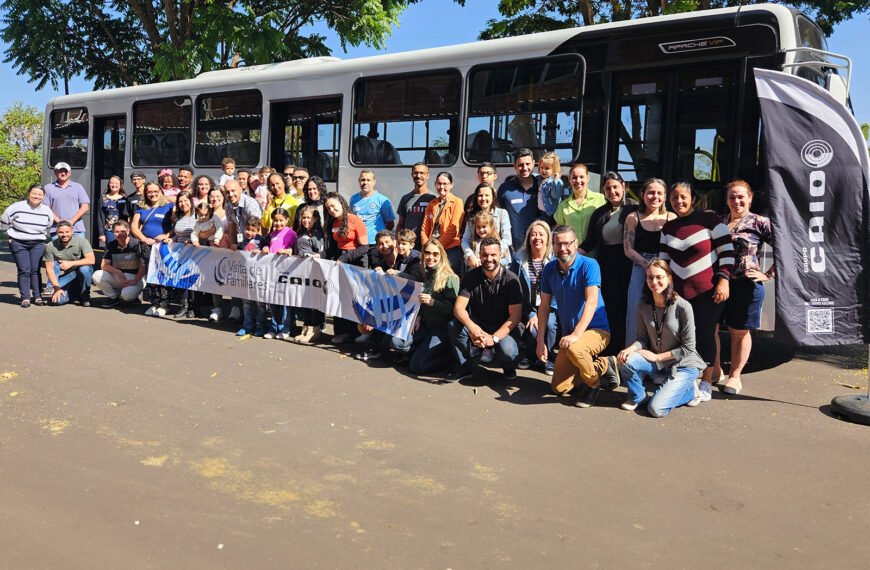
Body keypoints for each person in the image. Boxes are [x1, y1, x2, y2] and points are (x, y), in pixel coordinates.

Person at [659, 181, 734, 402]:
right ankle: (688, 379)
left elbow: (727, 253)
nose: (678, 201)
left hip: (708, 292)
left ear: (693, 198)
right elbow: (663, 261)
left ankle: (706, 381)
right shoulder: (668, 228)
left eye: (683, 197)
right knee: (681, 337)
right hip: (678, 293)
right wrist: (665, 291)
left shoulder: (710, 220)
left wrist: (724, 281)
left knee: (705, 335)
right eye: (674, 197)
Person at [536, 225, 619, 408]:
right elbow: (544, 307)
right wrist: (540, 341)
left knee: (576, 349)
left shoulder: (589, 265)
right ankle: (602, 365)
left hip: (597, 331)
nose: (563, 248)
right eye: (558, 244)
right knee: (560, 388)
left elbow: (591, 302)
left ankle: (593, 384)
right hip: (571, 338)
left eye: (567, 243)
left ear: (576, 244)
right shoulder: (549, 269)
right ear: (553, 245)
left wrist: (576, 334)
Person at [617, 259, 706, 416]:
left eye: (659, 277)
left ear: (669, 278)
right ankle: (639, 397)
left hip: (684, 364)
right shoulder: (643, 306)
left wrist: (657, 357)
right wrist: (631, 348)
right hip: (659, 363)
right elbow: (642, 339)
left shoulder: (683, 306)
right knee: (625, 360)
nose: (654, 282)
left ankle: (691, 392)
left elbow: (688, 347)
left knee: (656, 409)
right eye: (650, 277)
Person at [720, 180, 774, 395]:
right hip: (720, 283)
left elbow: (786, 250)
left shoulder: (760, 222)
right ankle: (715, 371)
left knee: (739, 332)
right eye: (732, 197)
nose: (737, 201)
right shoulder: (720, 221)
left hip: (747, 285)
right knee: (712, 328)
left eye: (741, 196)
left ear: (750, 198)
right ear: (726, 200)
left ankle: (734, 375)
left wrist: (767, 275)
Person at [448, 236, 523, 382]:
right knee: (453, 325)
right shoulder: (470, 277)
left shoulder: (512, 280)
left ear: (501, 255)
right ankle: (465, 366)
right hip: (480, 323)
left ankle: (508, 367)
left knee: (508, 350)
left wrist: (493, 338)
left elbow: (515, 318)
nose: (489, 259)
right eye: (485, 255)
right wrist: (473, 327)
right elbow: (458, 308)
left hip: (505, 327)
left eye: (493, 255)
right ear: (480, 256)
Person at [579, 171, 637, 353]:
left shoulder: (635, 209)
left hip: (630, 266)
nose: (612, 191)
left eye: (615, 187)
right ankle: (609, 349)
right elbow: (590, 242)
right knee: (610, 308)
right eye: (608, 188)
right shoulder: (599, 213)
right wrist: (570, 256)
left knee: (628, 308)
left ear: (624, 186)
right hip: (606, 267)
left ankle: (627, 349)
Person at [354, 229, 424, 362]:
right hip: (398, 302)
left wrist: (397, 274)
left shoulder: (416, 259)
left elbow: (416, 279)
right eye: (400, 244)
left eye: (404, 244)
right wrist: (382, 273)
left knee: (395, 340)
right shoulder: (399, 258)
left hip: (413, 308)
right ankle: (374, 348)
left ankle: (409, 352)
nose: (401, 247)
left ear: (412, 245)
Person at [623, 178, 675, 345]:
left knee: (665, 312)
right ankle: (630, 359)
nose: (655, 196)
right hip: (640, 268)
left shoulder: (671, 218)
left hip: (666, 268)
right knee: (635, 311)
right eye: (651, 192)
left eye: (660, 193)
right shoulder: (633, 217)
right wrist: (648, 266)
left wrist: (660, 269)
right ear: (643, 195)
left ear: (665, 196)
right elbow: (628, 249)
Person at [405, 239, 460, 375]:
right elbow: (421, 302)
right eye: (427, 253)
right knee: (399, 344)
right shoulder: (426, 273)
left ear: (441, 255)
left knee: (416, 367)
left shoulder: (450, 278)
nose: (431, 257)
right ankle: (422, 350)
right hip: (426, 325)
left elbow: (454, 310)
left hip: (442, 329)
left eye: (435, 254)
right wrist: (419, 316)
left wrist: (433, 302)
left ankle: (448, 355)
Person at [511, 220, 557, 374]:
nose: (537, 237)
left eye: (541, 234)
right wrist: (531, 313)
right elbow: (516, 290)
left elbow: (558, 290)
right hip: (528, 306)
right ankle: (531, 357)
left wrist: (543, 312)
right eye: (533, 234)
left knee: (549, 325)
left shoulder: (555, 260)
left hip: (550, 307)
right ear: (528, 238)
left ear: (548, 238)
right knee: (533, 328)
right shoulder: (518, 259)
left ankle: (549, 358)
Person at [324, 192, 370, 344]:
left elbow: (364, 247)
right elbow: (332, 247)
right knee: (339, 298)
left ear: (341, 203)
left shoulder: (355, 220)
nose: (331, 209)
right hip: (340, 262)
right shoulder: (333, 223)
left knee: (355, 299)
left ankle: (357, 333)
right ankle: (341, 332)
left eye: (333, 205)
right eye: (328, 207)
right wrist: (320, 255)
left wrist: (344, 258)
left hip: (356, 262)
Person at [1, 184, 53, 306]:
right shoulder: (16, 207)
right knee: (24, 270)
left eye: (40, 194)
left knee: (35, 270)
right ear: (29, 193)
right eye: (34, 193)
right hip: (19, 242)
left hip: (37, 243)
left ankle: (38, 296)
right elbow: (4, 221)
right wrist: (9, 235)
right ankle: (25, 297)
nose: (36, 196)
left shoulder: (46, 210)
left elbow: (49, 225)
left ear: (43, 197)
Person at [131, 182, 174, 316]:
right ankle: (154, 303)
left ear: (160, 191)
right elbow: (134, 227)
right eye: (150, 192)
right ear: (146, 193)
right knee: (150, 274)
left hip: (163, 246)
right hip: (147, 246)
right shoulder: (141, 207)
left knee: (163, 274)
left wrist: (166, 235)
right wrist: (144, 239)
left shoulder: (168, 207)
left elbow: (176, 225)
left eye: (155, 191)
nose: (153, 194)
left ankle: (165, 304)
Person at [262, 208, 298, 340]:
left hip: (286, 272)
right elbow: (267, 247)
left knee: (285, 302)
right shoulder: (271, 234)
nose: (278, 223)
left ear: (287, 220)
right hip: (272, 271)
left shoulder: (292, 233)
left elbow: (295, 249)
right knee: (273, 301)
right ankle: (273, 327)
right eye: (275, 221)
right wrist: (265, 248)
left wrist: (289, 250)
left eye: (281, 220)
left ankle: (285, 327)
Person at [292, 205, 326, 344]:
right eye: (304, 217)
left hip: (315, 272)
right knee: (305, 300)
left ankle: (315, 330)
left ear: (316, 219)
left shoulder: (318, 234)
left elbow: (321, 252)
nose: (306, 220)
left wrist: (314, 255)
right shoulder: (300, 232)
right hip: (302, 271)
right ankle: (305, 327)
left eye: (309, 218)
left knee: (314, 302)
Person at [92, 220, 145, 307]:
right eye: (117, 231)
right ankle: (113, 298)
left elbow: (143, 265)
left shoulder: (137, 244)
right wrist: (118, 273)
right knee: (97, 275)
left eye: (123, 231)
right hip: (118, 276)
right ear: (113, 233)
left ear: (128, 231)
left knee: (126, 296)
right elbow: (104, 265)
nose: (120, 234)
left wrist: (135, 280)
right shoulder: (111, 245)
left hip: (135, 277)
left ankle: (135, 295)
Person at [460, 183, 512, 271]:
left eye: (487, 195)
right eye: (480, 195)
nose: (483, 198)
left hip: (499, 261)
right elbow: (465, 240)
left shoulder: (502, 214)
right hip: (477, 262)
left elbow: (507, 239)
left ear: (493, 197)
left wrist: (495, 254)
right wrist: (470, 255)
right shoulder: (472, 216)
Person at [43, 220, 95, 306]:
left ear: (72, 231)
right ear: (57, 232)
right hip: (70, 275)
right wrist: (56, 288)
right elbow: (49, 269)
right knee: (57, 301)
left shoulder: (82, 241)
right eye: (61, 232)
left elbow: (91, 260)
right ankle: (75, 294)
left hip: (81, 271)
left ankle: (85, 296)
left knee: (85, 269)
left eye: (67, 232)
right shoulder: (50, 246)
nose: (64, 235)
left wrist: (70, 263)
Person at [420, 172, 464, 273]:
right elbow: (424, 229)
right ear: (435, 185)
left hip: (450, 248)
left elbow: (454, 229)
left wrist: (437, 247)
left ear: (451, 185)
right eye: (439, 184)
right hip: (431, 248)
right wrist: (427, 247)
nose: (442, 187)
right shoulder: (432, 204)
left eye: (445, 184)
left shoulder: (457, 202)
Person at [497, 148, 540, 251]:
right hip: (515, 249)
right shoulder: (504, 189)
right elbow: (499, 218)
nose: (524, 168)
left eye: (528, 164)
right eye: (520, 165)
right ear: (514, 166)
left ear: (533, 163)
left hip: (539, 247)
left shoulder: (542, 186)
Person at [553, 163, 605, 244]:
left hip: (595, 252)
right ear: (569, 179)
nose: (578, 181)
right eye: (574, 177)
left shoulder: (600, 199)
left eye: (581, 177)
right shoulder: (563, 206)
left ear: (588, 178)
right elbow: (559, 231)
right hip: (573, 253)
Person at [164, 191, 197, 318]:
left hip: (195, 251)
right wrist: (171, 239)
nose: (183, 204)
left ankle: (194, 308)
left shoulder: (198, 215)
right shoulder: (178, 216)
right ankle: (184, 306)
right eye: (180, 202)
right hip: (179, 251)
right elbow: (176, 232)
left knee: (193, 280)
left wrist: (193, 240)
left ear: (191, 201)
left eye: (185, 201)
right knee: (182, 279)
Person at [235, 216, 269, 338]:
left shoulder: (263, 240)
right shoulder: (241, 240)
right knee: (247, 303)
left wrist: (264, 249)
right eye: (248, 229)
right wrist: (234, 247)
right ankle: (247, 326)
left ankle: (261, 327)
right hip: (245, 277)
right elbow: (238, 252)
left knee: (260, 304)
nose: (250, 232)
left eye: (253, 230)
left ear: (258, 229)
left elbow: (267, 251)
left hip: (259, 278)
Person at [44, 162, 89, 238]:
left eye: (65, 171)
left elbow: (85, 207)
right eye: (60, 171)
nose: (63, 173)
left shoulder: (78, 187)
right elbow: (46, 208)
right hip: (57, 230)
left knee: (77, 250)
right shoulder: (48, 188)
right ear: (55, 172)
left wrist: (71, 221)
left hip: (77, 230)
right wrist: (60, 222)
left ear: (69, 173)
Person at [396, 162, 435, 249]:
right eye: (416, 173)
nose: (418, 176)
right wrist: (398, 242)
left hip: (427, 245)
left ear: (427, 176)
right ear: (412, 175)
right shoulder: (405, 198)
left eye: (422, 173)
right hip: (409, 246)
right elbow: (401, 224)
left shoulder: (434, 198)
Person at [350, 169, 396, 242]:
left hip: (375, 243)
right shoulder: (353, 199)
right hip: (358, 242)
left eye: (368, 180)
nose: (365, 182)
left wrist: (381, 237)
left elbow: (390, 224)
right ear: (359, 181)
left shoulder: (382, 200)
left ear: (374, 182)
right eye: (363, 180)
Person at [95, 175, 132, 246]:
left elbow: (129, 215)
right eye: (112, 183)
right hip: (109, 231)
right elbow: (100, 216)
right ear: (109, 184)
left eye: (116, 183)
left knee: (123, 249)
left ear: (120, 185)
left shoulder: (125, 198)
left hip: (123, 230)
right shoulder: (103, 198)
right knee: (111, 249)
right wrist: (101, 233)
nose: (114, 185)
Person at [225, 179, 262, 249]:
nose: (230, 194)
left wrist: (256, 247)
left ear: (240, 190)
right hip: (241, 243)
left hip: (254, 244)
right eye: (227, 192)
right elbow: (231, 228)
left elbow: (258, 229)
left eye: (233, 191)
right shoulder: (228, 206)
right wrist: (232, 244)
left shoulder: (250, 204)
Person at [536, 152, 569, 221]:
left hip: (551, 212)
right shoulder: (540, 178)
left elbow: (556, 195)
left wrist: (555, 180)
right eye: (541, 167)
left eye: (547, 168)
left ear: (554, 169)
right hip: (542, 211)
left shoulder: (555, 181)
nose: (543, 170)